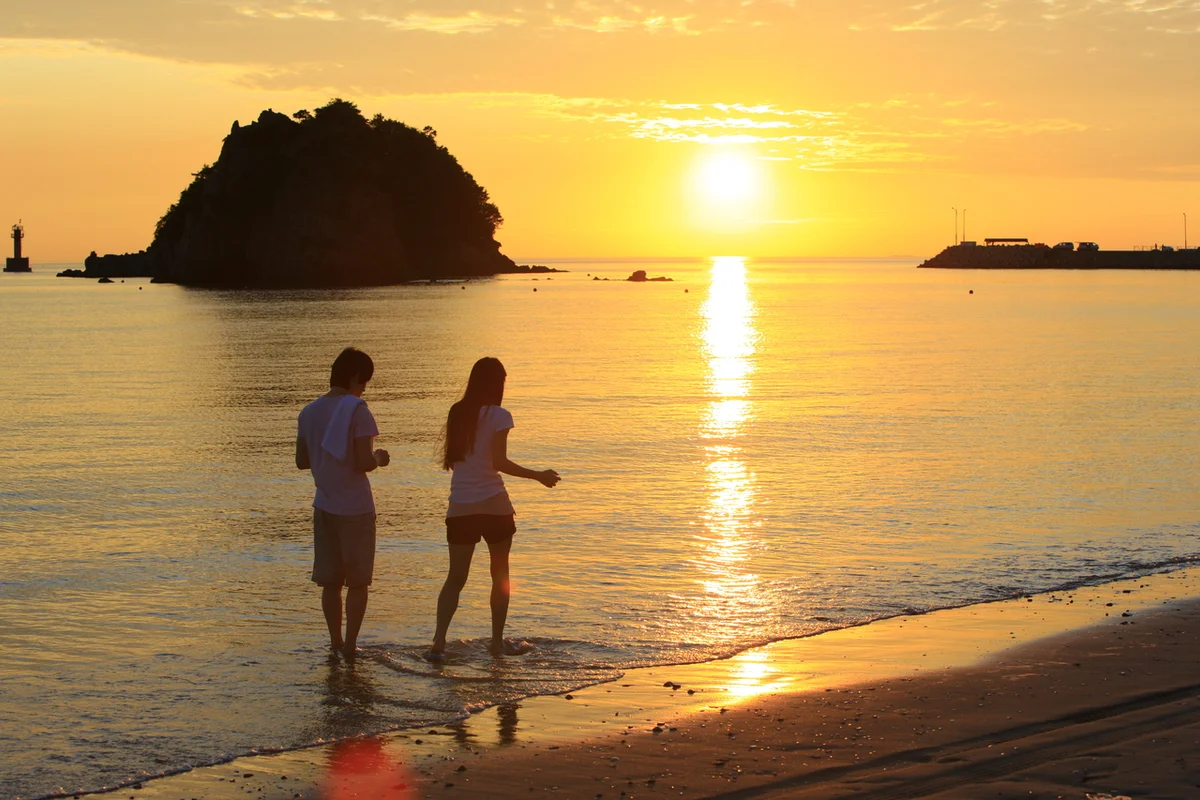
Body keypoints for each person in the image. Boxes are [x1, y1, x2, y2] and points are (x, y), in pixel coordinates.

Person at [431, 357, 559, 659]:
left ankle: (438, 643)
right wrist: (538, 475)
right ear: (497, 383)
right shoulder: (500, 415)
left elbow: (455, 461)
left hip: (461, 506)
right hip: (494, 506)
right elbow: (498, 462)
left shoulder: (457, 412)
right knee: (500, 575)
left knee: (455, 578)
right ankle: (497, 643)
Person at [296, 347, 390, 660]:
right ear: (355, 377)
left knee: (331, 583)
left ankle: (335, 642)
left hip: (324, 505)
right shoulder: (357, 410)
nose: (364, 389)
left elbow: (301, 461)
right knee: (358, 582)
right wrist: (379, 458)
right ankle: (351, 647)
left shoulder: (308, 412)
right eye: (364, 382)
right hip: (356, 508)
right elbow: (364, 461)